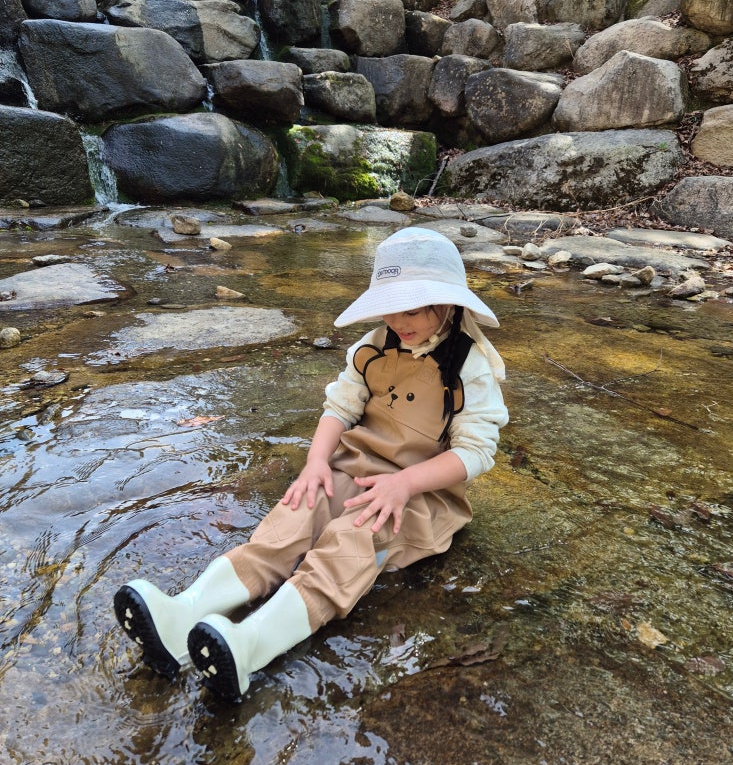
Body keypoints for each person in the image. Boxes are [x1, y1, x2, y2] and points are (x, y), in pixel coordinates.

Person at [114, 227, 508, 701]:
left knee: (351, 541)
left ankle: (251, 645)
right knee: (292, 517)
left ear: (448, 304)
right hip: (353, 467)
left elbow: (476, 452)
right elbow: (339, 409)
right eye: (390, 307)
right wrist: (317, 462)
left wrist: (404, 484)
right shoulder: (373, 348)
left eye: (412, 310)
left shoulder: (470, 366)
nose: (398, 321)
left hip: (419, 493)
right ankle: (183, 612)